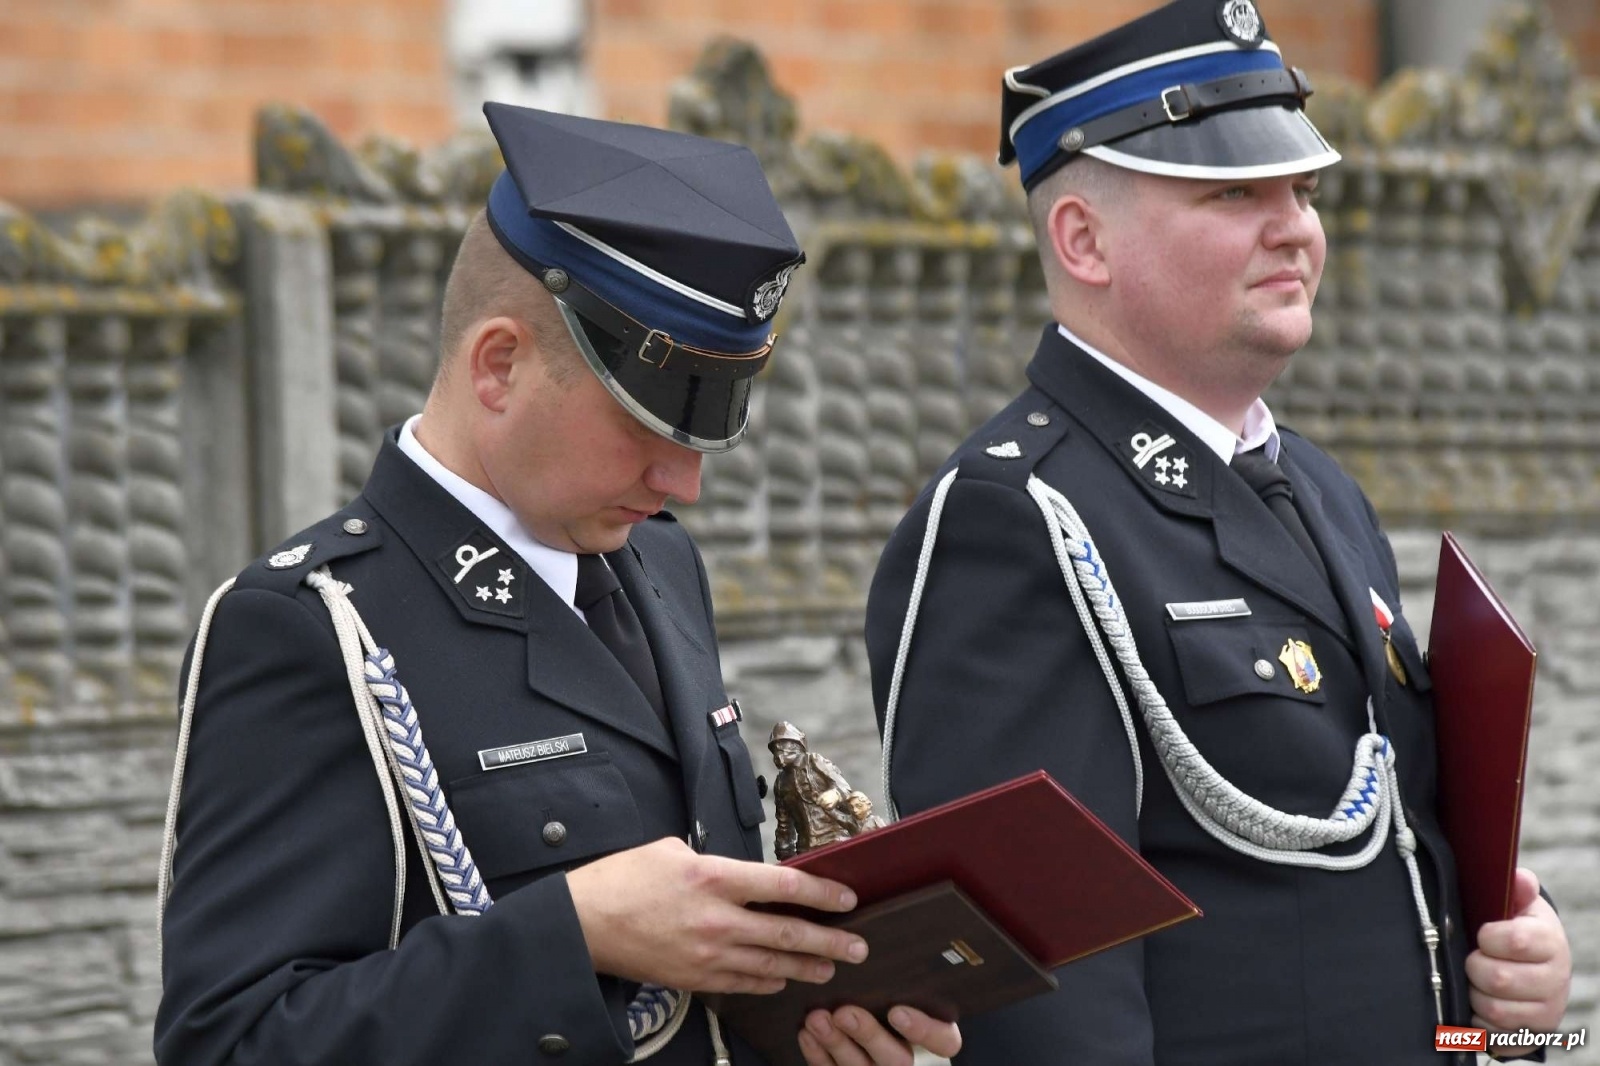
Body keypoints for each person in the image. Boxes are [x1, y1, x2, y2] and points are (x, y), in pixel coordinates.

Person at [156, 103, 961, 1066]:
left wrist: (814, 1014)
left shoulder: (658, 564)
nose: (684, 483)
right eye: (643, 425)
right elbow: (231, 1041)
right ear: (500, 366)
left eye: (700, 437)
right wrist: (571, 932)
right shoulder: (305, 626)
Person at [863, 2, 1571, 1063]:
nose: (1295, 227)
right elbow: (1050, 996)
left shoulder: (1317, 488)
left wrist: (1513, 960)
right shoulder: (1014, 520)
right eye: (1233, 192)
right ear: (1084, 240)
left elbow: (1386, 842)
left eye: (1302, 190)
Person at [769, 722, 884, 860]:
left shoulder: (815, 761)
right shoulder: (780, 783)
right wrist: (785, 854)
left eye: (783, 745)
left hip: (835, 840)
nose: (779, 752)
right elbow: (784, 824)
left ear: (797, 745)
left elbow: (844, 787)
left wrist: (835, 794)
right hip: (806, 849)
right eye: (775, 748)